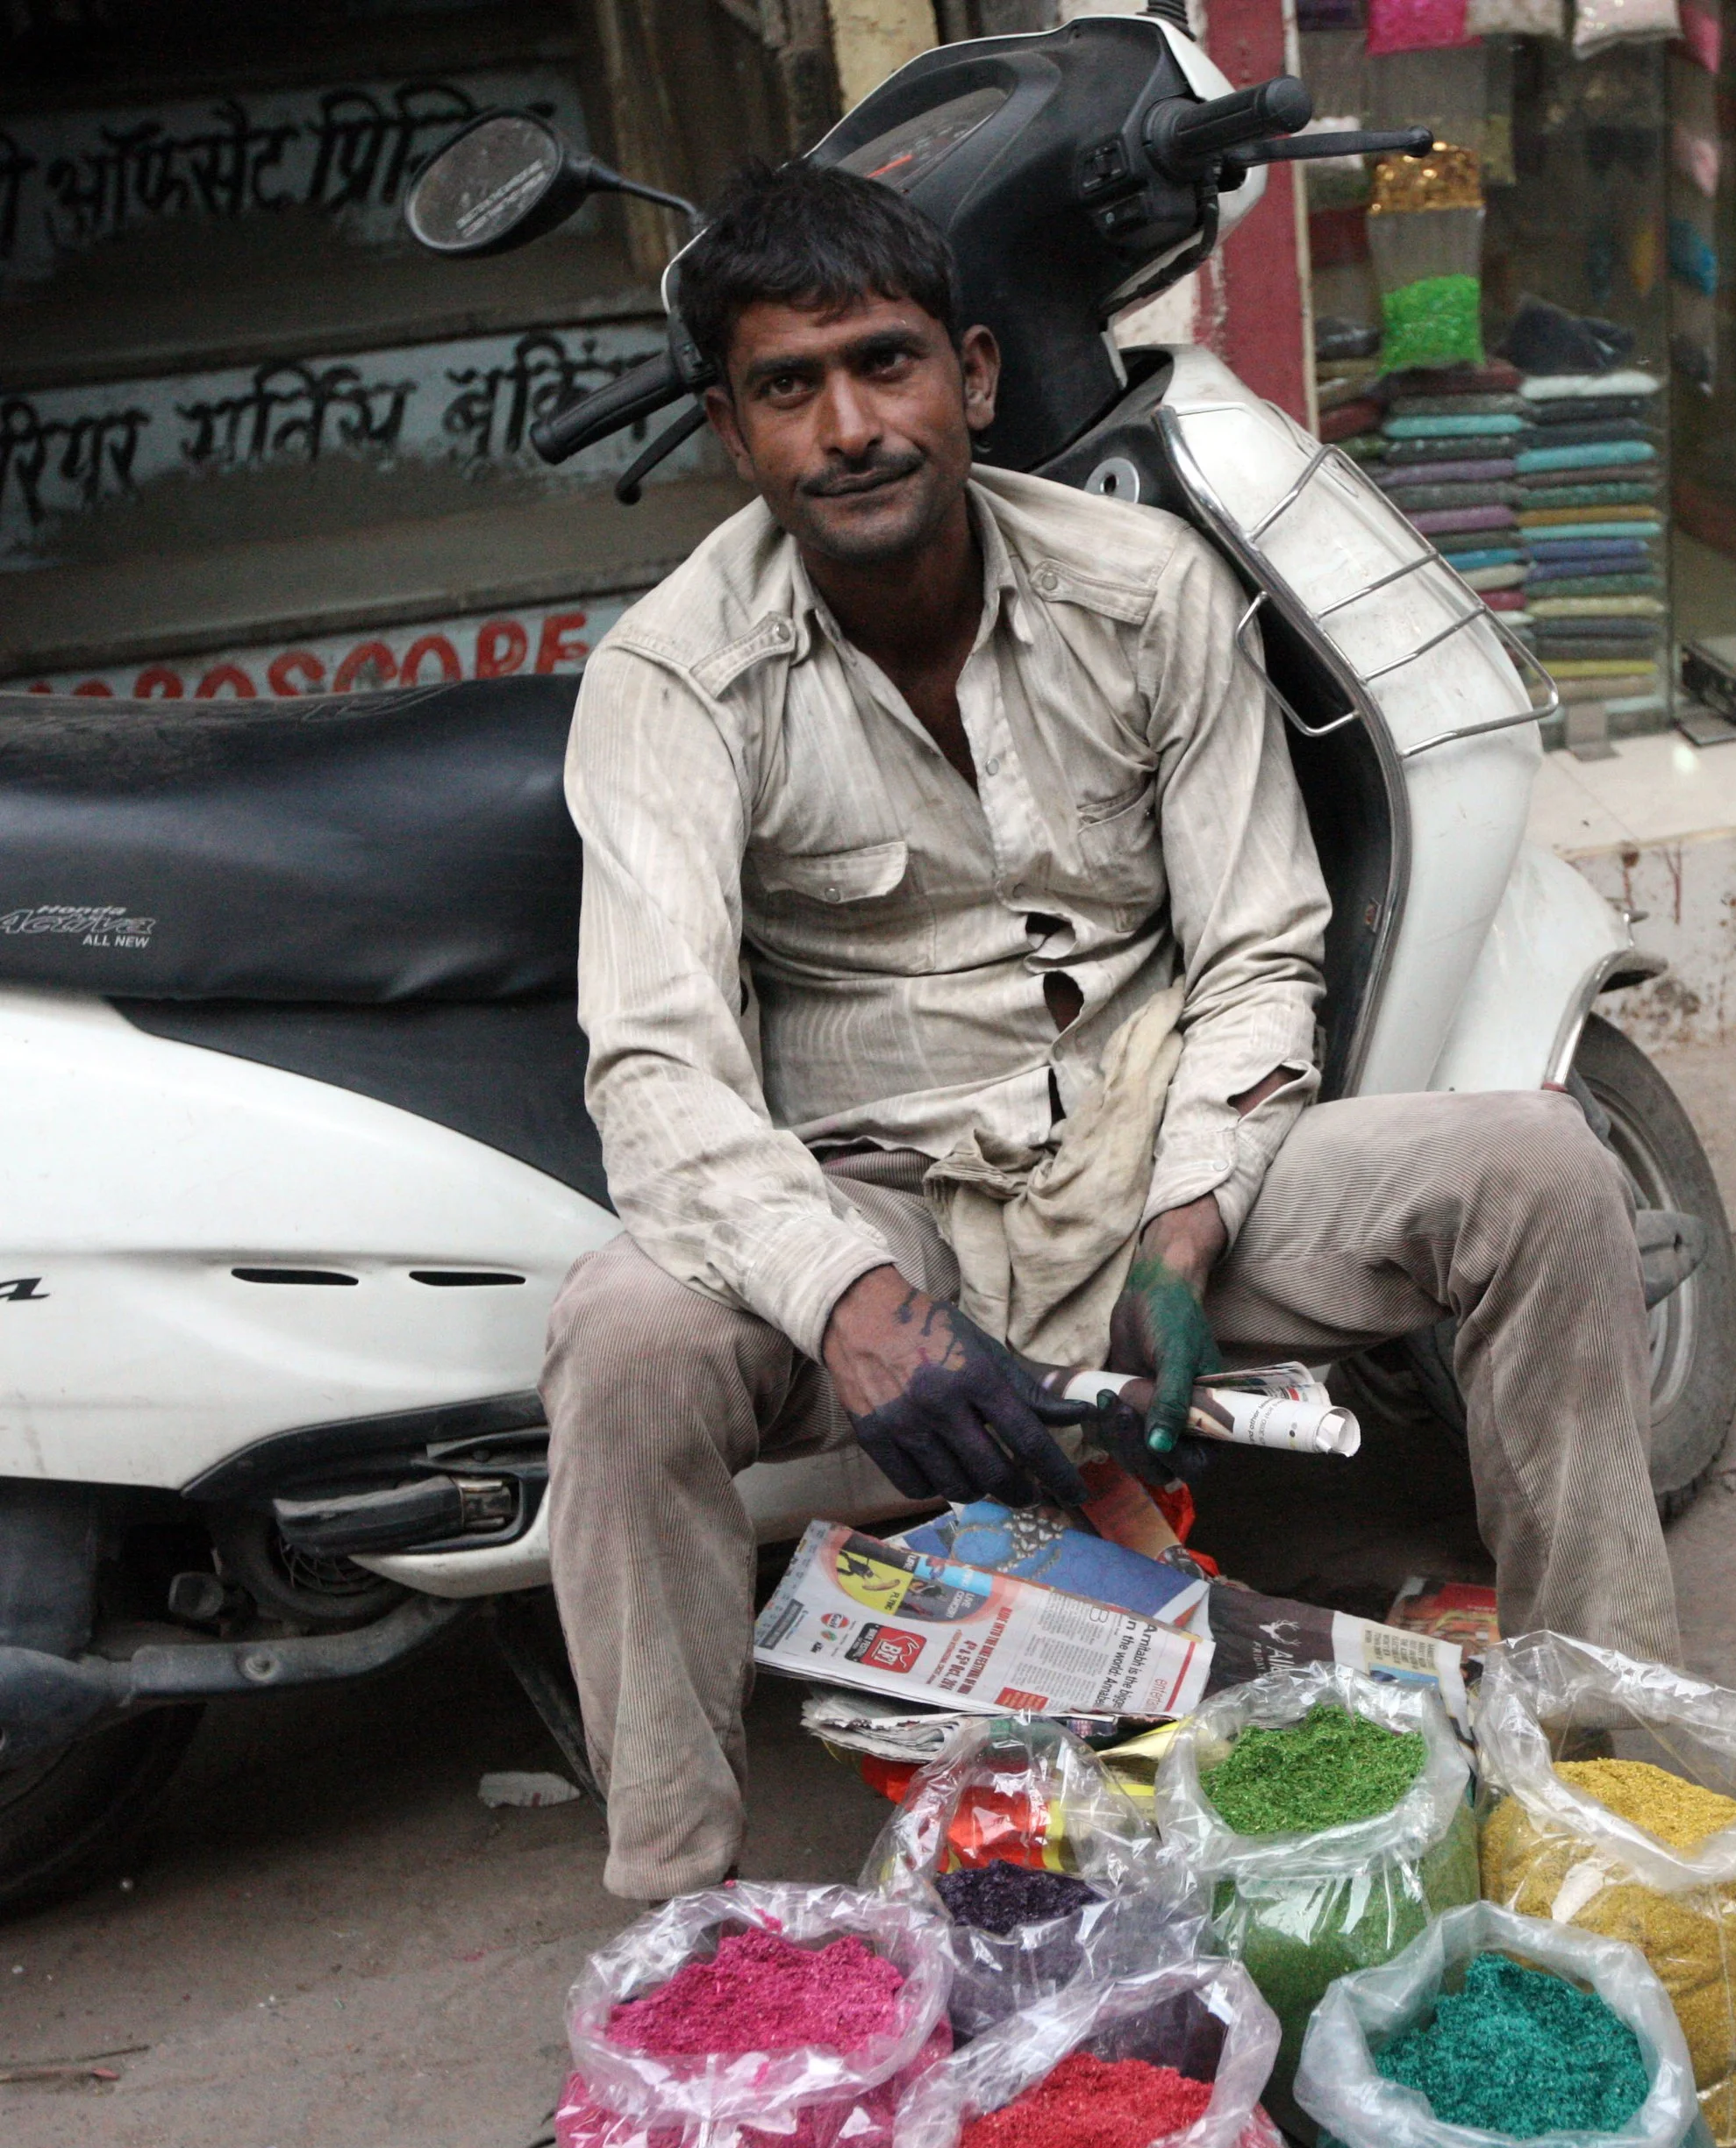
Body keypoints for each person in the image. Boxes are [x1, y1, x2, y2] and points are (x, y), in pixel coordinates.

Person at [546, 157, 1678, 1909]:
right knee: (620, 1346)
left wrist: (1189, 1224)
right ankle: (684, 1944)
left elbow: (1255, 942)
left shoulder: (1144, 587)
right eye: (790, 386)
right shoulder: (674, 677)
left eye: (885, 363)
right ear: (733, 429)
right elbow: (655, 1063)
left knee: (1536, 1168)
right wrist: (844, 1302)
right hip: (885, 1203)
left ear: (973, 376)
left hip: (1163, 1154)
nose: (850, 426)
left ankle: (1617, 1791)